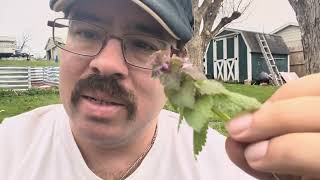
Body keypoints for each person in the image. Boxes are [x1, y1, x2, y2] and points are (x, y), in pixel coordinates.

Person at [0, 0, 319, 180]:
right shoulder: (9, 150)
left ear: (177, 64)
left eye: (142, 44)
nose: (106, 64)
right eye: (86, 32)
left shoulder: (227, 170)